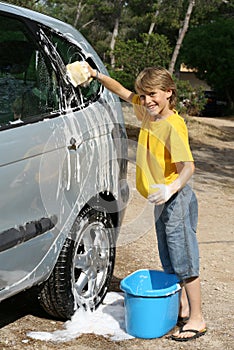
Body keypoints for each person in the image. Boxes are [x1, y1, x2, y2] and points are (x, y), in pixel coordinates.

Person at [85, 63, 206, 341]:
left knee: (184, 256)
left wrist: (170, 188)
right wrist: (96, 75)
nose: (147, 100)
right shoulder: (148, 112)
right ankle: (183, 307)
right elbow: (123, 92)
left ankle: (197, 318)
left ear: (168, 93)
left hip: (176, 199)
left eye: (152, 94)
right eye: (144, 95)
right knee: (168, 254)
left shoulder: (172, 126)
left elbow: (188, 166)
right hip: (162, 200)